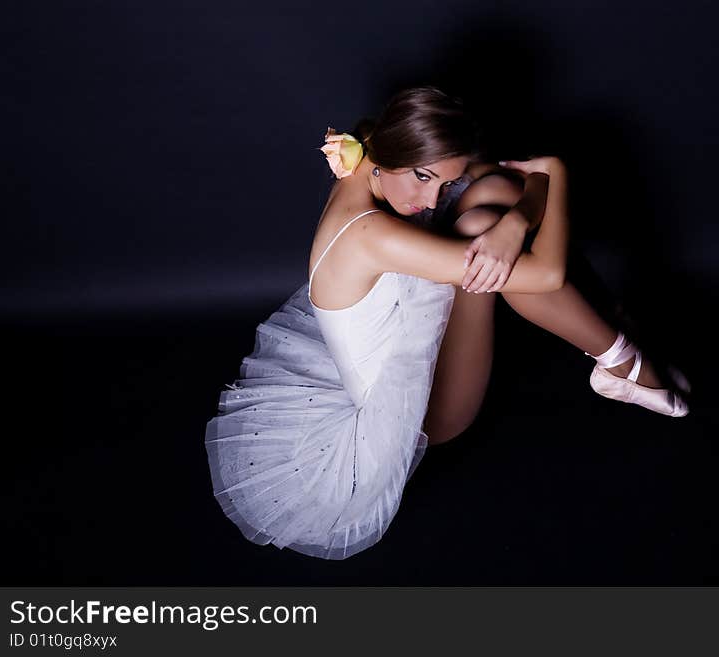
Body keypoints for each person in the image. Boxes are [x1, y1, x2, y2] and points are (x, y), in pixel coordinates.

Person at [204, 86, 688, 561]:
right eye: (422, 177)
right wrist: (553, 176)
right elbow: (548, 273)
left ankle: (610, 326)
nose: (431, 200)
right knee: (484, 227)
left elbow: (491, 175)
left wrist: (517, 212)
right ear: (395, 153)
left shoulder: (371, 150)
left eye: (439, 182)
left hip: (402, 343)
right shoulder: (369, 235)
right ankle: (624, 362)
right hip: (422, 412)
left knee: (495, 192)